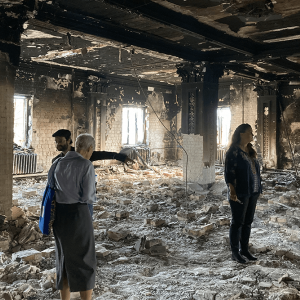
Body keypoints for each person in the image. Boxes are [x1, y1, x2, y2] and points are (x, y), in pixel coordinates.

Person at [48, 133, 97, 300]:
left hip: (61, 216)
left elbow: (51, 188)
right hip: (79, 215)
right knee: (85, 259)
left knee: (64, 259)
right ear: (89, 149)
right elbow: (88, 197)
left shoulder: (57, 164)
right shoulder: (86, 165)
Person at [224, 124, 262, 264]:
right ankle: (235, 252)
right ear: (241, 134)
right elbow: (229, 172)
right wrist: (232, 190)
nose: (252, 135)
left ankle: (244, 250)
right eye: (250, 133)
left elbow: (255, 171)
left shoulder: (249, 150)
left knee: (248, 222)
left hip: (253, 191)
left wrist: (258, 189)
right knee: (237, 222)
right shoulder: (233, 151)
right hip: (240, 192)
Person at [52, 129, 134, 165]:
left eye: (60, 141)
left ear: (68, 140)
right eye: (56, 142)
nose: (57, 144)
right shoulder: (56, 161)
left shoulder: (82, 153)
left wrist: (123, 158)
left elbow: (103, 154)